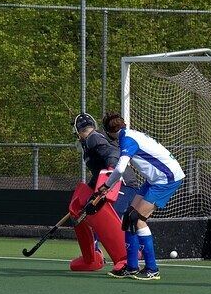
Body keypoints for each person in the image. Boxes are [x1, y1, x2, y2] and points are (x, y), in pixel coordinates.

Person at [94, 113, 185, 281]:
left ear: (108, 132)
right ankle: (132, 266)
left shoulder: (127, 140)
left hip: (167, 178)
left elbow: (120, 169)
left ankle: (152, 269)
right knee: (128, 217)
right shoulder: (130, 134)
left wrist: (106, 186)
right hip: (156, 178)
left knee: (138, 220)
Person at [68, 113, 138, 272]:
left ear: (78, 131)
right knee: (89, 215)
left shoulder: (94, 138)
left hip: (122, 184)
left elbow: (111, 154)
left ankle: (127, 258)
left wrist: (112, 170)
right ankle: (93, 255)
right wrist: (93, 187)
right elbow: (98, 172)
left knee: (108, 220)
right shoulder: (89, 142)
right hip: (113, 183)